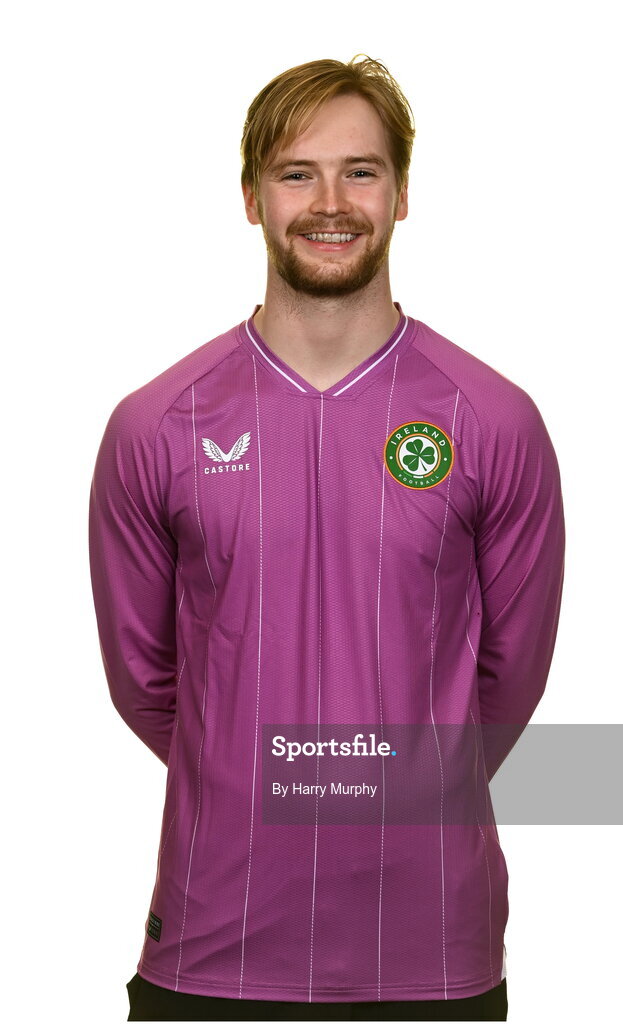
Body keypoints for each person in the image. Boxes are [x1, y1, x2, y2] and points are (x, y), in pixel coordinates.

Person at [88, 55, 565, 1022]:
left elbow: (509, 683)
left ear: (399, 195)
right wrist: (251, 778)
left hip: (433, 948)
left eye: (361, 170)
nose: (330, 200)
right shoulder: (154, 425)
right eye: (296, 172)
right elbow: (146, 684)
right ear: (252, 198)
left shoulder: (494, 420)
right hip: (211, 948)